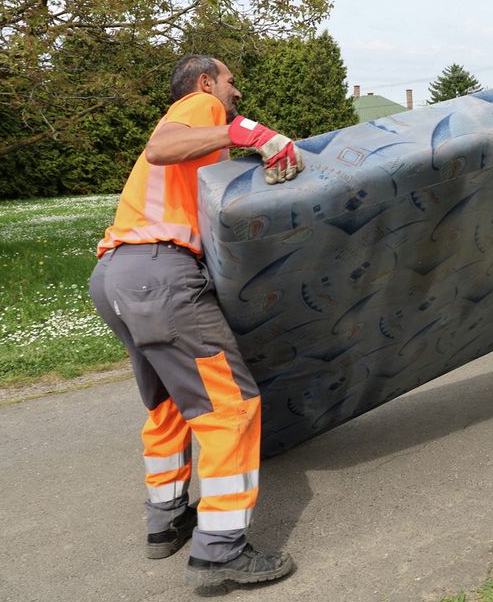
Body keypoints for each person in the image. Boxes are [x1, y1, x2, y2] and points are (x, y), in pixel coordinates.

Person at [88, 54, 304, 590]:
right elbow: (159, 148)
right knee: (228, 405)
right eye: (231, 82)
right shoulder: (200, 105)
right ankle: (221, 551)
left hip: (117, 276)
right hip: (160, 278)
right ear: (206, 82)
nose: (237, 92)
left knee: (169, 405)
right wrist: (258, 136)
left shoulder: (201, 149)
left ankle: (166, 522)